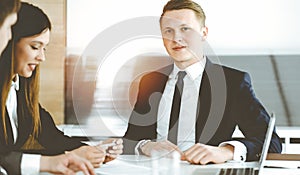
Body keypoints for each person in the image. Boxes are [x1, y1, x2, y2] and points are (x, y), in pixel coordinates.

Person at [123, 0, 282, 164]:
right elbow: (130, 140)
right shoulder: (150, 81)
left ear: (204, 33)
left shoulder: (232, 83)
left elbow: (272, 142)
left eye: (185, 29)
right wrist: (146, 146)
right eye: (168, 31)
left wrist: (226, 151)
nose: (176, 38)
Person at [0, 2, 122, 174]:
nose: (41, 57)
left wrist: (90, 150)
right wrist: (50, 162)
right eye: (35, 47)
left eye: (44, 48)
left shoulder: (21, 91)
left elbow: (50, 136)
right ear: (10, 41)